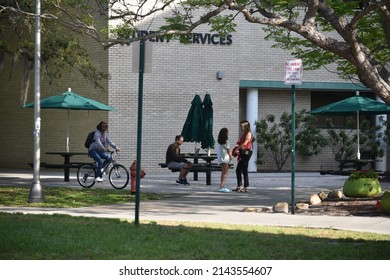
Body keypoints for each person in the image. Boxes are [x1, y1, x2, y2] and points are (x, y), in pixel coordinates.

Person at [232, 120, 253, 192]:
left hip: (246, 152)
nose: (241, 127)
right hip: (243, 152)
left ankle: (243, 186)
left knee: (242, 169)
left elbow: (245, 143)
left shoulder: (248, 133)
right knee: (241, 169)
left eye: (242, 126)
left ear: (246, 126)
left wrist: (237, 149)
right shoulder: (244, 134)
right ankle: (241, 186)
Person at [217, 128, 232, 193]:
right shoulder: (226, 141)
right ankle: (221, 186)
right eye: (227, 132)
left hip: (221, 157)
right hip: (225, 158)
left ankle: (222, 186)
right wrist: (231, 156)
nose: (228, 133)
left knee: (223, 172)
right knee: (225, 173)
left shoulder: (220, 141)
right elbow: (228, 150)